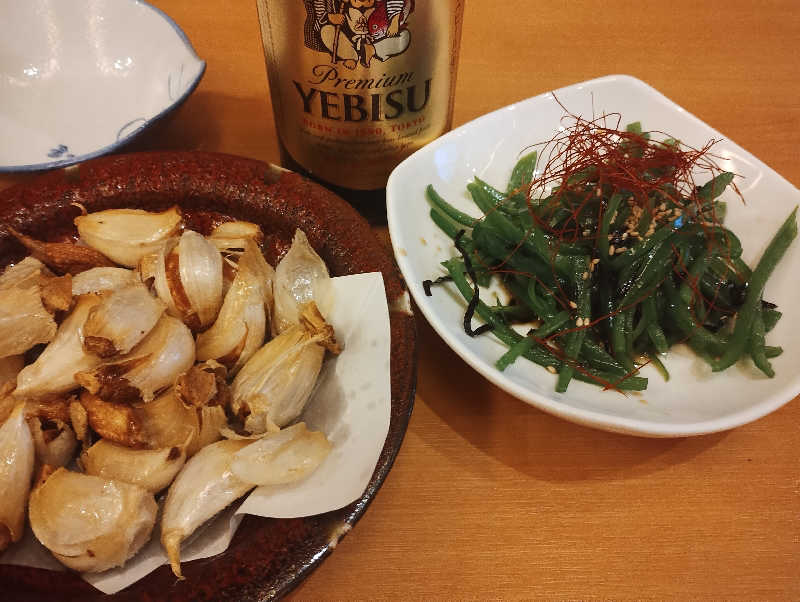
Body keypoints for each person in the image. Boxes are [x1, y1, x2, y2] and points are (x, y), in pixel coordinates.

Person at [314, 0, 413, 69]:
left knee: (404, 36)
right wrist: (329, 17)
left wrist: (394, 18)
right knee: (326, 31)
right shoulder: (338, 5)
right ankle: (351, 56)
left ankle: (372, 50)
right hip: (348, 41)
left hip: (379, 36)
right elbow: (319, 15)